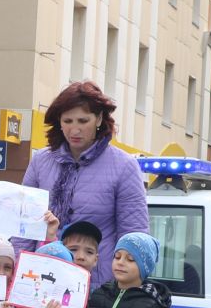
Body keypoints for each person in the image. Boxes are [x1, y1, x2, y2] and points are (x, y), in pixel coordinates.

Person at [18, 81, 148, 290]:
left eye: (83, 120)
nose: (74, 129)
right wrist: (17, 275)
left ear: (99, 119)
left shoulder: (125, 166)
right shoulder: (40, 161)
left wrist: (124, 289)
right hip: (40, 282)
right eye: (67, 120)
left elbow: (134, 236)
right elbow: (22, 228)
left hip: (98, 287)